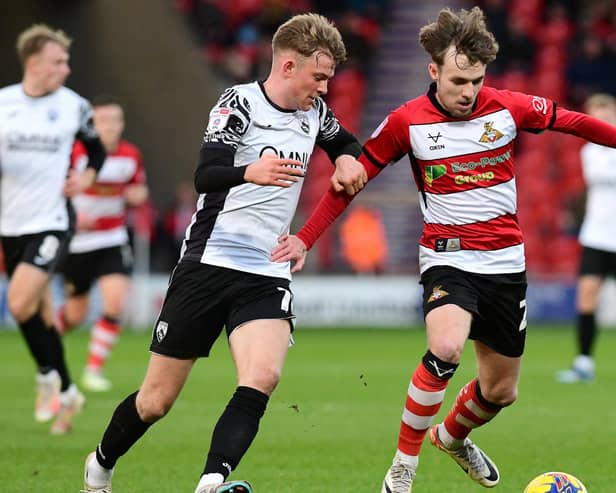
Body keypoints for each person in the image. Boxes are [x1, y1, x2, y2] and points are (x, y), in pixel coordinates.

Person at [271, 7, 616, 492]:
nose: (468, 91)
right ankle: (402, 470)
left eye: (476, 80)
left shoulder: (508, 107)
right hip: (447, 256)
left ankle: (452, 438)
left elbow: (576, 122)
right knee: (447, 347)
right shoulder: (405, 122)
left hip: (505, 264)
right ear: (433, 71)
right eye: (458, 80)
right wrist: (305, 237)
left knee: (501, 391)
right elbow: (350, 183)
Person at [81, 13, 366, 493]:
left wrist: (344, 157)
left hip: (266, 270)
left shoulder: (315, 114)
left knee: (264, 375)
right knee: (156, 401)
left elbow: (345, 141)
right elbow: (206, 175)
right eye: (318, 77)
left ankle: (212, 482)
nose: (324, 88)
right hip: (208, 263)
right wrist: (248, 172)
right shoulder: (239, 103)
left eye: (329, 79)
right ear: (289, 65)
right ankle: (100, 464)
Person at [0, 24, 105, 434]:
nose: (66, 68)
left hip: (53, 221)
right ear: (34, 63)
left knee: (20, 304)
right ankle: (68, 387)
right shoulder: (4, 103)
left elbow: (95, 147)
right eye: (58, 61)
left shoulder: (74, 106)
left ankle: (47, 377)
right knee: (39, 312)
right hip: (10, 224)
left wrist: (87, 176)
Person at [57, 94, 148, 392]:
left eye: (115, 120)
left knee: (114, 302)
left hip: (112, 237)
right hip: (79, 243)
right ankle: (48, 344)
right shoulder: (77, 151)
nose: (110, 126)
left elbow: (139, 189)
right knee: (75, 314)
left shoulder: (130, 154)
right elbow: (57, 188)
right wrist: (73, 214)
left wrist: (137, 195)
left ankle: (93, 371)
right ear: (92, 124)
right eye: (103, 120)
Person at [556, 93, 616, 384]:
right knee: (587, 297)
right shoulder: (590, 151)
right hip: (597, 235)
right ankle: (583, 362)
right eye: (597, 116)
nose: (602, 120)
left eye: (606, 115)